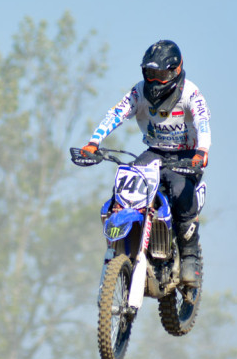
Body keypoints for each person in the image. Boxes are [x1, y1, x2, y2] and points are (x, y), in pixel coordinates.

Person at [81, 40, 210, 286]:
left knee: (181, 192)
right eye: (151, 73)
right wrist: (93, 142)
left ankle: (190, 256)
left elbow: (203, 123)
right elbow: (116, 114)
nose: (156, 81)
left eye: (162, 75)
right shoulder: (139, 92)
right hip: (155, 153)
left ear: (176, 71)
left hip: (186, 156)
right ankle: (124, 243)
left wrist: (202, 151)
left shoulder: (191, 93)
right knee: (125, 183)